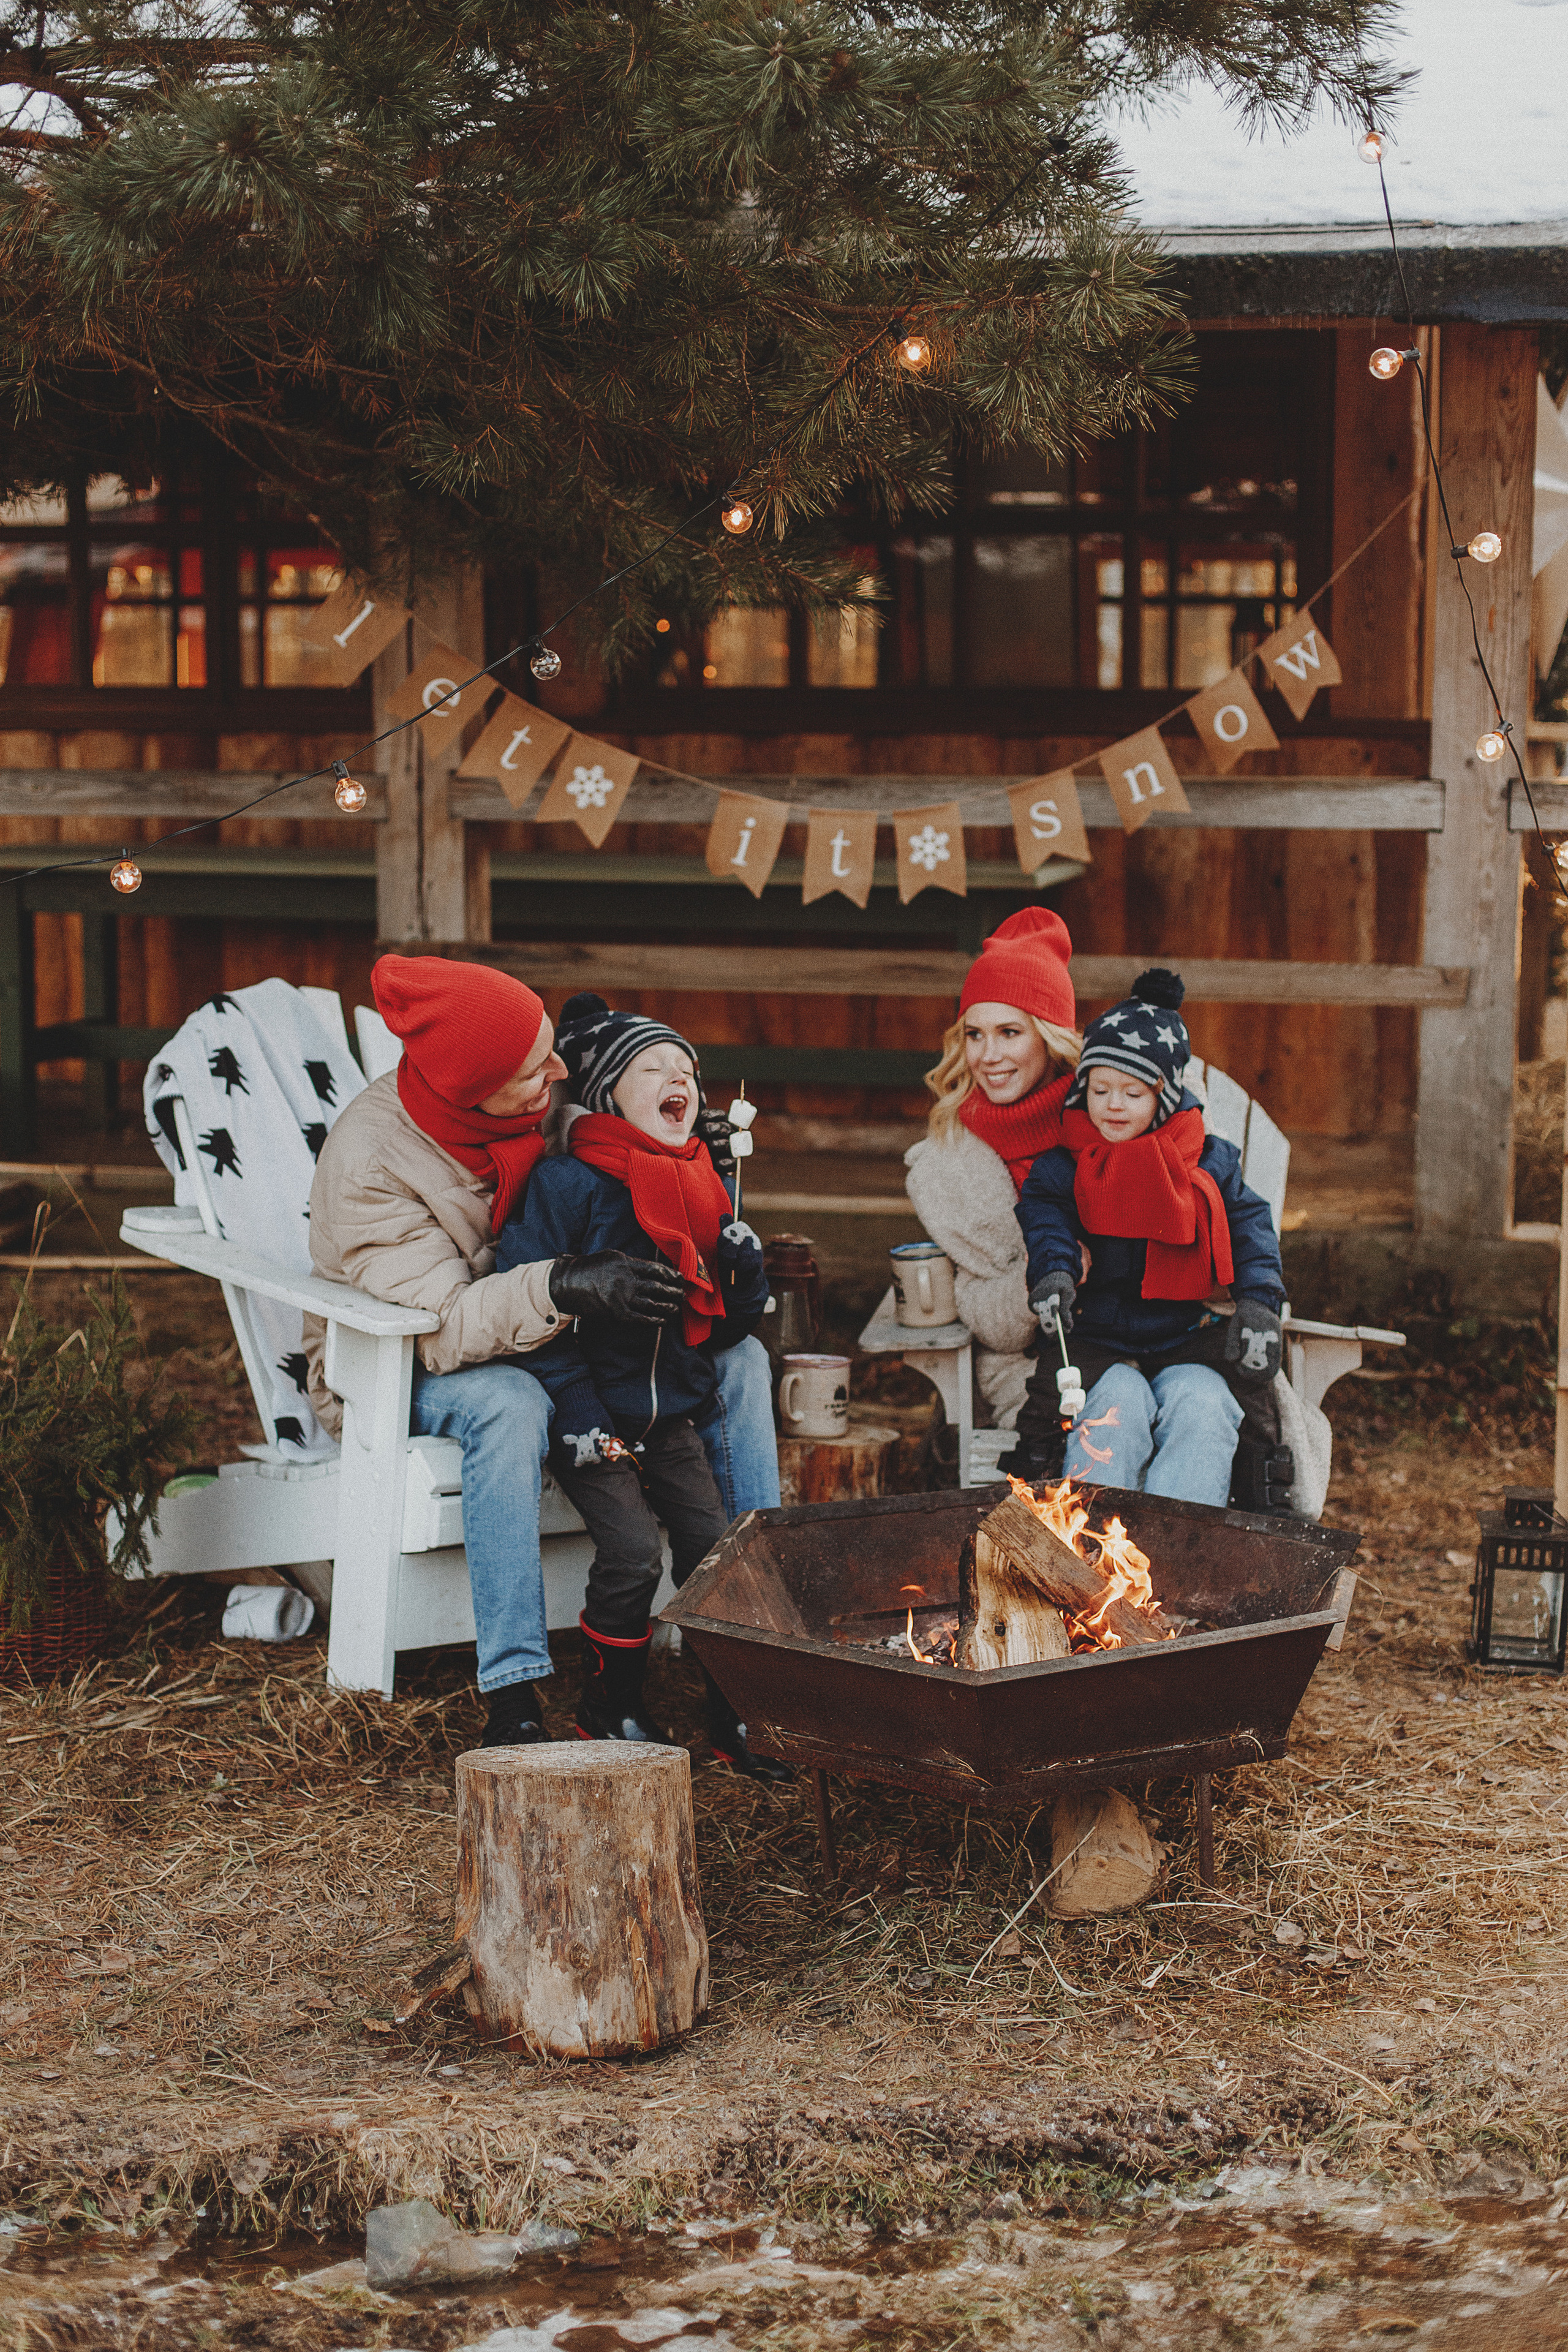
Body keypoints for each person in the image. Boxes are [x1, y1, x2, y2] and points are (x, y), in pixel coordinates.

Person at [304, 955, 780, 1749]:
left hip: (573, 1342)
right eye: (535, 1068)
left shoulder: (537, 1107)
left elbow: (615, 1136)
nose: (557, 1072)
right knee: (510, 1401)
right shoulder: (372, 1162)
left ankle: (755, 1652)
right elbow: (445, 1325)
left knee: (741, 1362)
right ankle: (515, 1693)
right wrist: (561, 1283)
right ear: (472, 1088)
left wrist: (697, 1154)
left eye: (553, 1052)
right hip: (405, 1363)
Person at [496, 992, 789, 1780]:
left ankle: (732, 1709)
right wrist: (585, 1420)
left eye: (687, 1070)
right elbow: (532, 1304)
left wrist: (744, 1272)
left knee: (713, 1551)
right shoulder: (569, 1185)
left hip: (670, 1414)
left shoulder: (700, 1179)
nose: (680, 1080)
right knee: (629, 1553)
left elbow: (720, 1331)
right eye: (653, 1067)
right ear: (604, 1094)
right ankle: (609, 1702)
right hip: (586, 1409)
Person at [1013, 968, 1293, 1509]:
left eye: (1132, 1092)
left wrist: (1261, 1303)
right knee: (1115, 1404)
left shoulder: (1208, 1161)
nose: (1113, 1105)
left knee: (1205, 1403)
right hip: (1095, 1330)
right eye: (1100, 1090)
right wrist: (1055, 1270)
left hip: (1186, 1328)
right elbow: (1044, 1218)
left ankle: (1180, 1552)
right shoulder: (1066, 1167)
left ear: (1164, 1097)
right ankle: (1093, 1550)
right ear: (1083, 1089)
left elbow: (1252, 1228)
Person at [902, 906, 1082, 1451]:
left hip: (1147, 1338)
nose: (989, 1056)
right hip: (1028, 1368)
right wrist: (1038, 1275)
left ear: (1049, 1038)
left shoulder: (1106, 1113)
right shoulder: (948, 1166)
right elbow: (988, 1319)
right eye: (975, 1035)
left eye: (1010, 1032)